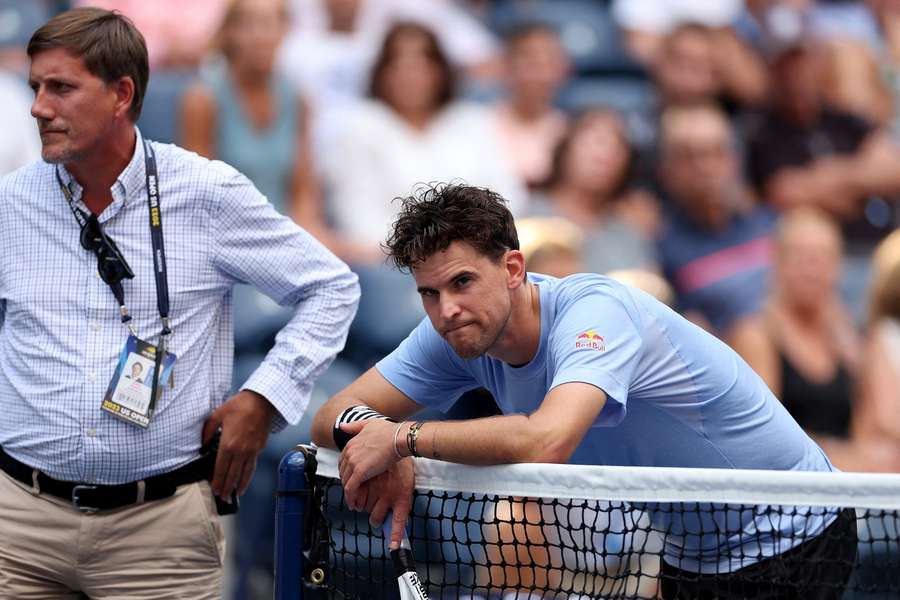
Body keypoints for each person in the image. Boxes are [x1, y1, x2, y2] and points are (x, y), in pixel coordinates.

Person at [311, 183, 857, 599]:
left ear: (513, 269)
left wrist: (404, 439)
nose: (446, 309)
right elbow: (331, 414)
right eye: (429, 293)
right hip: (695, 554)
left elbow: (547, 440)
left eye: (461, 282)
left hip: (798, 527)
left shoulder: (596, 312)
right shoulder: (450, 334)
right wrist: (377, 432)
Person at [0, 8, 359, 598]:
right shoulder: (12, 202)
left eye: (60, 87)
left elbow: (332, 286)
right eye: (35, 87)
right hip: (19, 528)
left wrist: (263, 398)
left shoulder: (206, 193)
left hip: (158, 536)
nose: (39, 107)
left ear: (121, 94)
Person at [729, 208, 861, 468]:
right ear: (777, 263)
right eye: (801, 257)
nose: (812, 270)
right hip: (788, 485)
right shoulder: (755, 335)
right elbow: (762, 435)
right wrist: (835, 455)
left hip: (845, 482)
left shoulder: (847, 339)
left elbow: (867, 427)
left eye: (822, 258)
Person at [656, 103, 776, 336]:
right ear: (667, 170)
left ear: (734, 161)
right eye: (689, 156)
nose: (705, 167)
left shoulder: (767, 224)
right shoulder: (661, 248)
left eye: (717, 152)